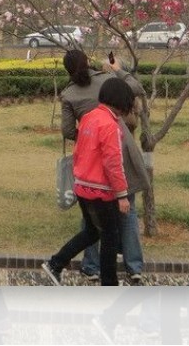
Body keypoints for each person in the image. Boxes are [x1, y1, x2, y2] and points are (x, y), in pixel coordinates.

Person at [59, 50, 150, 283]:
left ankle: (91, 266)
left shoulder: (69, 94)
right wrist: (117, 68)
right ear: (88, 62)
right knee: (127, 209)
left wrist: (89, 137)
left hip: (91, 158)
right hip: (122, 148)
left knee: (92, 216)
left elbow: (68, 131)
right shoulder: (107, 80)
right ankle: (134, 266)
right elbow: (136, 88)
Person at [41, 75, 134, 286]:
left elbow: (79, 151)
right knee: (110, 237)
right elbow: (113, 162)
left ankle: (56, 263)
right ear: (122, 101)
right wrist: (122, 195)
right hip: (101, 191)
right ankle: (109, 283)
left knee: (92, 232)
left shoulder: (89, 118)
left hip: (82, 186)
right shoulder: (110, 125)